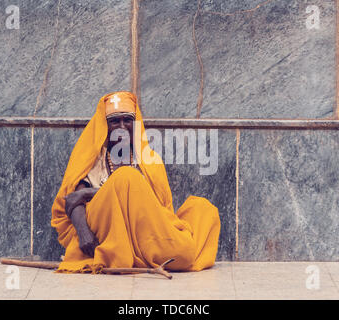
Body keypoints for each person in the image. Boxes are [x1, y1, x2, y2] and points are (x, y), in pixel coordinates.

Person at [51, 91, 220, 273]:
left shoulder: (149, 161)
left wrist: (90, 193)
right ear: (105, 126)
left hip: (144, 234)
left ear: (135, 124)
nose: (122, 126)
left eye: (128, 120)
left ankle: (145, 254)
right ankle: (127, 253)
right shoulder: (92, 159)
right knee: (126, 176)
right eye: (115, 121)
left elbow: (156, 209)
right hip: (107, 234)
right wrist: (84, 233)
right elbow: (73, 200)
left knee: (203, 210)